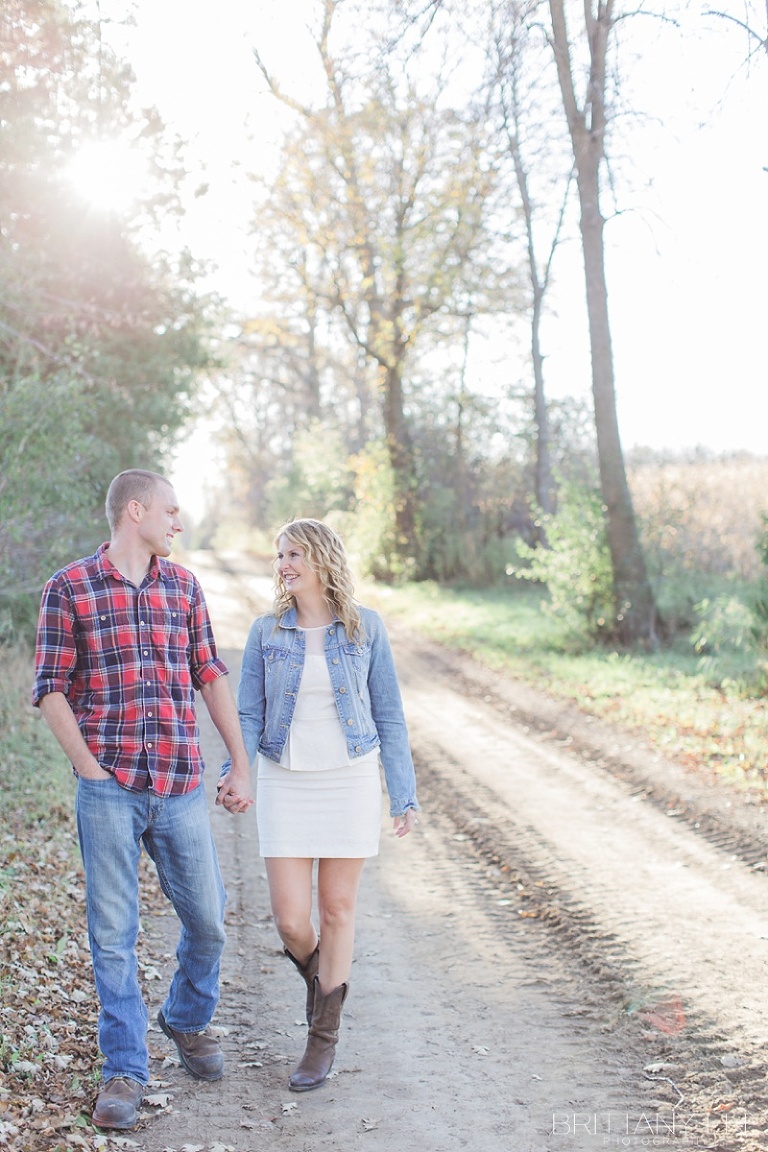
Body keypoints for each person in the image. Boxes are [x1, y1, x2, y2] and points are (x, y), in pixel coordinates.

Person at [32, 469, 253, 1132]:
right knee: (112, 935)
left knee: (209, 921)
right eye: (171, 512)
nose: (179, 523)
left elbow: (209, 676)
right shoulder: (68, 588)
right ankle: (125, 1067)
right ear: (136, 512)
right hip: (110, 788)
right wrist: (89, 771)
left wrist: (238, 764)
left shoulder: (182, 586)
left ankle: (185, 1018)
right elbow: (50, 687)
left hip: (181, 782)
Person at [227, 517, 419, 1093]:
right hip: (286, 779)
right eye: (279, 554)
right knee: (291, 920)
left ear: (322, 559)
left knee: (338, 912)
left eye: (293, 554)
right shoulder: (266, 633)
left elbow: (388, 714)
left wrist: (402, 792)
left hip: (350, 779)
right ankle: (325, 989)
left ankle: (321, 1039)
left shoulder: (366, 629)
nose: (283, 564)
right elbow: (247, 714)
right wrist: (236, 772)